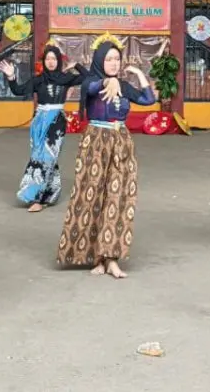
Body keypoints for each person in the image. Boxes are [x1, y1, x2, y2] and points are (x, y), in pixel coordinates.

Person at [56, 34, 155, 279]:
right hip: (96, 143)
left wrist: (139, 74)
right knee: (92, 197)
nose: (113, 63)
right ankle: (95, 258)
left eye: (117, 59)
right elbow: (89, 87)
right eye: (109, 59)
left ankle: (111, 258)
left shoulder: (123, 84)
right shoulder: (91, 80)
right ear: (100, 60)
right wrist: (105, 83)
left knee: (118, 197)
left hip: (121, 143)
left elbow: (148, 99)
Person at [0, 42, 82, 211]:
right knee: (39, 157)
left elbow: (87, 78)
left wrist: (77, 66)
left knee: (47, 157)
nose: (51, 62)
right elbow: (19, 90)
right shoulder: (38, 80)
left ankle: (35, 198)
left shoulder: (66, 79)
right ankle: (49, 194)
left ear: (59, 61)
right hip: (39, 121)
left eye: (53, 59)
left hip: (56, 122)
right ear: (44, 61)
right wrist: (11, 76)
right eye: (47, 59)